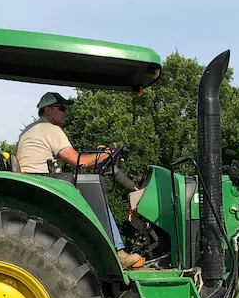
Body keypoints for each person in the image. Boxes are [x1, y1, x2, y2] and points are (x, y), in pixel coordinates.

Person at [15, 92, 145, 268]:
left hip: (35, 180)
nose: (65, 112)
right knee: (93, 190)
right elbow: (79, 162)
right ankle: (118, 252)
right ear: (47, 110)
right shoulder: (51, 129)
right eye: (61, 108)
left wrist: (99, 156)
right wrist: (105, 155)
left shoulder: (31, 130)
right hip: (44, 180)